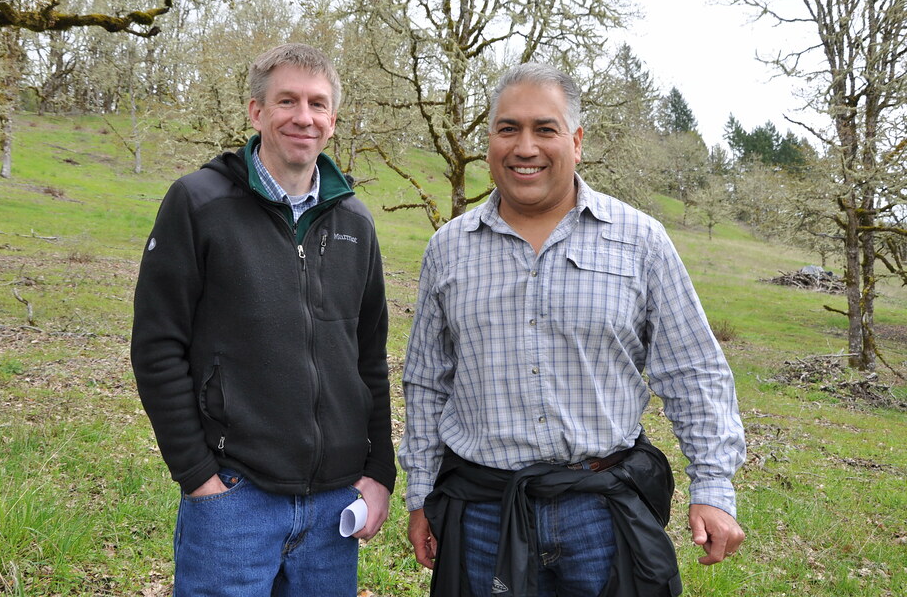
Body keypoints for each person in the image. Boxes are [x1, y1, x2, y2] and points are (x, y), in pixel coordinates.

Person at [398, 63, 746, 597]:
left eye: (545, 129)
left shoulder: (640, 241)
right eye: (508, 128)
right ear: (490, 140)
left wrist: (714, 487)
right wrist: (421, 495)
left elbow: (694, 371)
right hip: (485, 513)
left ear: (576, 141)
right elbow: (425, 382)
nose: (525, 147)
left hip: (601, 512)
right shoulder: (449, 248)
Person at [131, 43, 395, 597]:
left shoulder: (356, 222)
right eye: (287, 101)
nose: (304, 117)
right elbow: (157, 347)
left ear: (334, 120)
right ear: (256, 111)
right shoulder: (198, 202)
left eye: (318, 104)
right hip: (234, 495)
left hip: (332, 507)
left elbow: (368, 357)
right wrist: (199, 477)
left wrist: (379, 473)